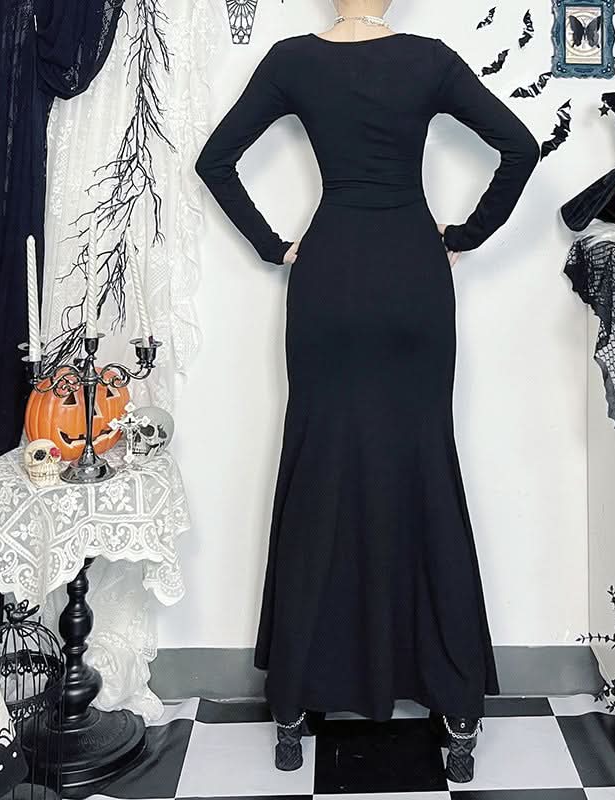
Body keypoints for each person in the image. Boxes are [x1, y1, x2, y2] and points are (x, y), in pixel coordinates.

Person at [195, 0, 539, 782]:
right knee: (423, 470)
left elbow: (215, 161)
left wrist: (273, 246)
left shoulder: (293, 59)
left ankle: (294, 704)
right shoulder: (429, 58)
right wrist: (466, 237)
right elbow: (520, 146)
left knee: (321, 471)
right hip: (413, 274)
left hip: (331, 276)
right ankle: (455, 705)